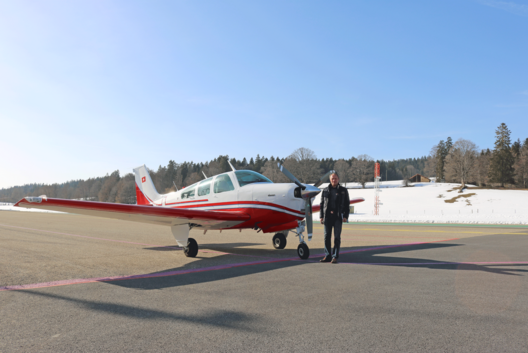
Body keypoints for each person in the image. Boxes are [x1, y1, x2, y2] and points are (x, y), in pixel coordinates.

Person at [319, 172, 350, 263]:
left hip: (337, 217)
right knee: (326, 236)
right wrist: (321, 216)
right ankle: (327, 255)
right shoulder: (325, 190)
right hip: (327, 216)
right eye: (332, 178)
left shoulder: (343, 190)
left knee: (337, 237)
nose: (334, 180)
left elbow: (347, 204)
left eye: (335, 178)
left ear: (338, 179)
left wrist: (345, 216)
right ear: (330, 179)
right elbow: (321, 205)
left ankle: (335, 256)